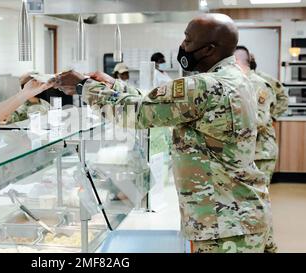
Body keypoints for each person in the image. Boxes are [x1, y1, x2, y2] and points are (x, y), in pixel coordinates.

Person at [55, 13, 270, 253]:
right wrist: (113, 85)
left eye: (188, 40)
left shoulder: (205, 85)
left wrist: (84, 88)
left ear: (209, 49)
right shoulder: (238, 79)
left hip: (224, 226)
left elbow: (138, 113)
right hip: (242, 214)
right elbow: (155, 105)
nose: (182, 46)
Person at [234, 45, 278, 253]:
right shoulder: (239, 82)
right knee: (250, 202)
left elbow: (259, 119)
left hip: (261, 152)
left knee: (259, 201)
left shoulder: (258, 84)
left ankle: (268, 246)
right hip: (247, 152)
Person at [250, 54, 289, 120]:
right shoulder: (237, 80)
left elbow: (283, 96)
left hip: (263, 126)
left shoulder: (265, 79)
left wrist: (272, 115)